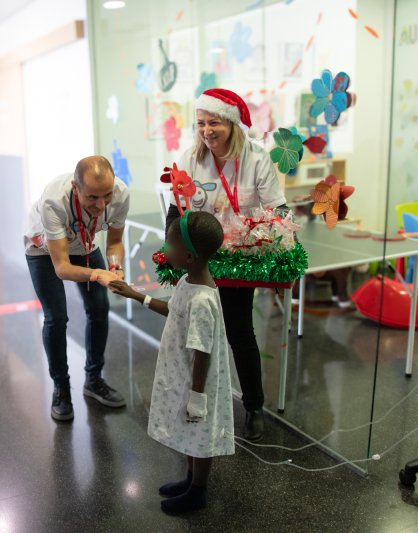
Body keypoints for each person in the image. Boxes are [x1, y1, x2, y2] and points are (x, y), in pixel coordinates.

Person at [165, 88, 291, 441]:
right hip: (200, 254)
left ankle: (254, 406)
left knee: (239, 331)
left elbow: (277, 209)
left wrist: (280, 246)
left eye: (214, 122)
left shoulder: (256, 157)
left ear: (232, 124)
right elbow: (176, 209)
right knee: (193, 333)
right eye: (201, 123)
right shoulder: (190, 158)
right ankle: (191, 398)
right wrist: (171, 247)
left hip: (240, 257)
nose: (206, 130)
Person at [108, 211, 234, 515]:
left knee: (200, 432)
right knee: (191, 431)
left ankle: (198, 492)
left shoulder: (202, 300)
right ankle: (191, 480)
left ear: (189, 256)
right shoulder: (187, 281)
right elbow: (175, 310)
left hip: (198, 379)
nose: (165, 250)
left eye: (170, 245)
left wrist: (196, 395)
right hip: (184, 372)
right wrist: (137, 296)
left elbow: (202, 351)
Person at [24, 156, 130, 421]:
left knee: (99, 308)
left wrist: (115, 267)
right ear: (75, 187)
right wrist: (97, 274)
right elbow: (61, 267)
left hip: (85, 243)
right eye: (93, 197)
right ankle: (61, 388)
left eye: (106, 196)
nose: (101, 205)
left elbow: (115, 241)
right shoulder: (54, 200)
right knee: (56, 317)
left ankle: (93, 380)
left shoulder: (121, 194)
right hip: (44, 250)